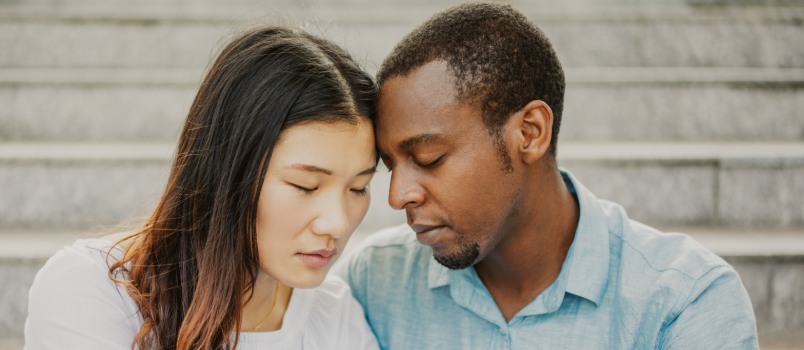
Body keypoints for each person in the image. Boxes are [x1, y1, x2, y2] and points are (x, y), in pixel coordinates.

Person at [335, 2, 759, 349]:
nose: (397, 195)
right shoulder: (372, 282)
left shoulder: (684, 303)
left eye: (428, 158)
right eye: (390, 165)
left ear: (530, 133)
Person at [25, 25, 379, 350]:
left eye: (359, 188)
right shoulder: (91, 289)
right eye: (305, 185)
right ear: (229, 171)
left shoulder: (335, 315)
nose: (338, 223)